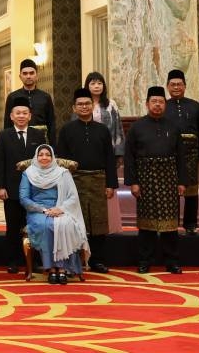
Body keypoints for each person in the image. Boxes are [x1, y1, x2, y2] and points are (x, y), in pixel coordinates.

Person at [124, 86, 186, 274]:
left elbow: (181, 157)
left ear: (165, 105)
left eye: (160, 102)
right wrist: (133, 182)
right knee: (146, 224)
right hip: (146, 178)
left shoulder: (174, 127)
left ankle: (172, 261)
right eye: (154, 102)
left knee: (170, 224)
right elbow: (129, 156)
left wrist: (181, 181)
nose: (157, 105)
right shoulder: (137, 127)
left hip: (169, 178)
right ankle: (144, 260)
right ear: (147, 104)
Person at [55, 88, 117, 274]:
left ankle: (97, 260)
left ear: (93, 106)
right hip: (75, 181)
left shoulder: (103, 130)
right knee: (74, 221)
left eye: (87, 104)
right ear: (74, 108)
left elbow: (109, 158)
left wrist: (110, 184)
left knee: (98, 222)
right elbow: (62, 161)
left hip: (98, 179)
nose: (84, 107)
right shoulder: (66, 130)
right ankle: (76, 258)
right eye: (80, 104)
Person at [19, 145, 89, 284]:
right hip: (37, 211)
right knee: (47, 225)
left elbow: (73, 197)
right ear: (36, 157)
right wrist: (44, 210)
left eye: (47, 154)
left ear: (52, 157)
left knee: (65, 224)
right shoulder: (28, 173)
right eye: (41, 154)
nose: (44, 157)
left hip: (60, 209)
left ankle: (62, 269)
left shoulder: (62, 173)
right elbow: (24, 198)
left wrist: (61, 208)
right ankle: (51, 269)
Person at [0, 99, 46, 273]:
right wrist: (0, 187)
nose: (21, 116)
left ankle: (36, 260)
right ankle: (13, 260)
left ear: (30, 116)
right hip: (12, 189)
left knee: (36, 224)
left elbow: (44, 161)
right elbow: (0, 164)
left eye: (25, 113)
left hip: (35, 189)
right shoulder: (3, 135)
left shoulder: (38, 136)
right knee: (13, 227)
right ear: (11, 116)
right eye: (18, 113)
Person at [164, 69, 199, 235]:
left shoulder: (195, 106)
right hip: (170, 154)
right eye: (172, 84)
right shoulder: (163, 105)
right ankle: (171, 223)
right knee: (170, 191)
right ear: (167, 87)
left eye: (179, 84)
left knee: (191, 192)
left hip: (191, 154)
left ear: (185, 86)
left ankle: (190, 224)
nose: (176, 87)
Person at [4, 58, 57, 145]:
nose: (28, 76)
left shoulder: (45, 97)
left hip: (41, 142)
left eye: (31, 73)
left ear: (37, 75)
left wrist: (53, 148)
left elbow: (51, 124)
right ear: (20, 76)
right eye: (25, 73)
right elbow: (7, 124)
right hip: (18, 141)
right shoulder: (12, 97)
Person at [80, 72, 124, 158]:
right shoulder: (83, 104)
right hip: (87, 147)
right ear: (87, 86)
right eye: (93, 83)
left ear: (103, 86)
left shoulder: (111, 104)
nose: (97, 86)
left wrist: (119, 152)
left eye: (99, 83)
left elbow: (118, 128)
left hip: (108, 147)